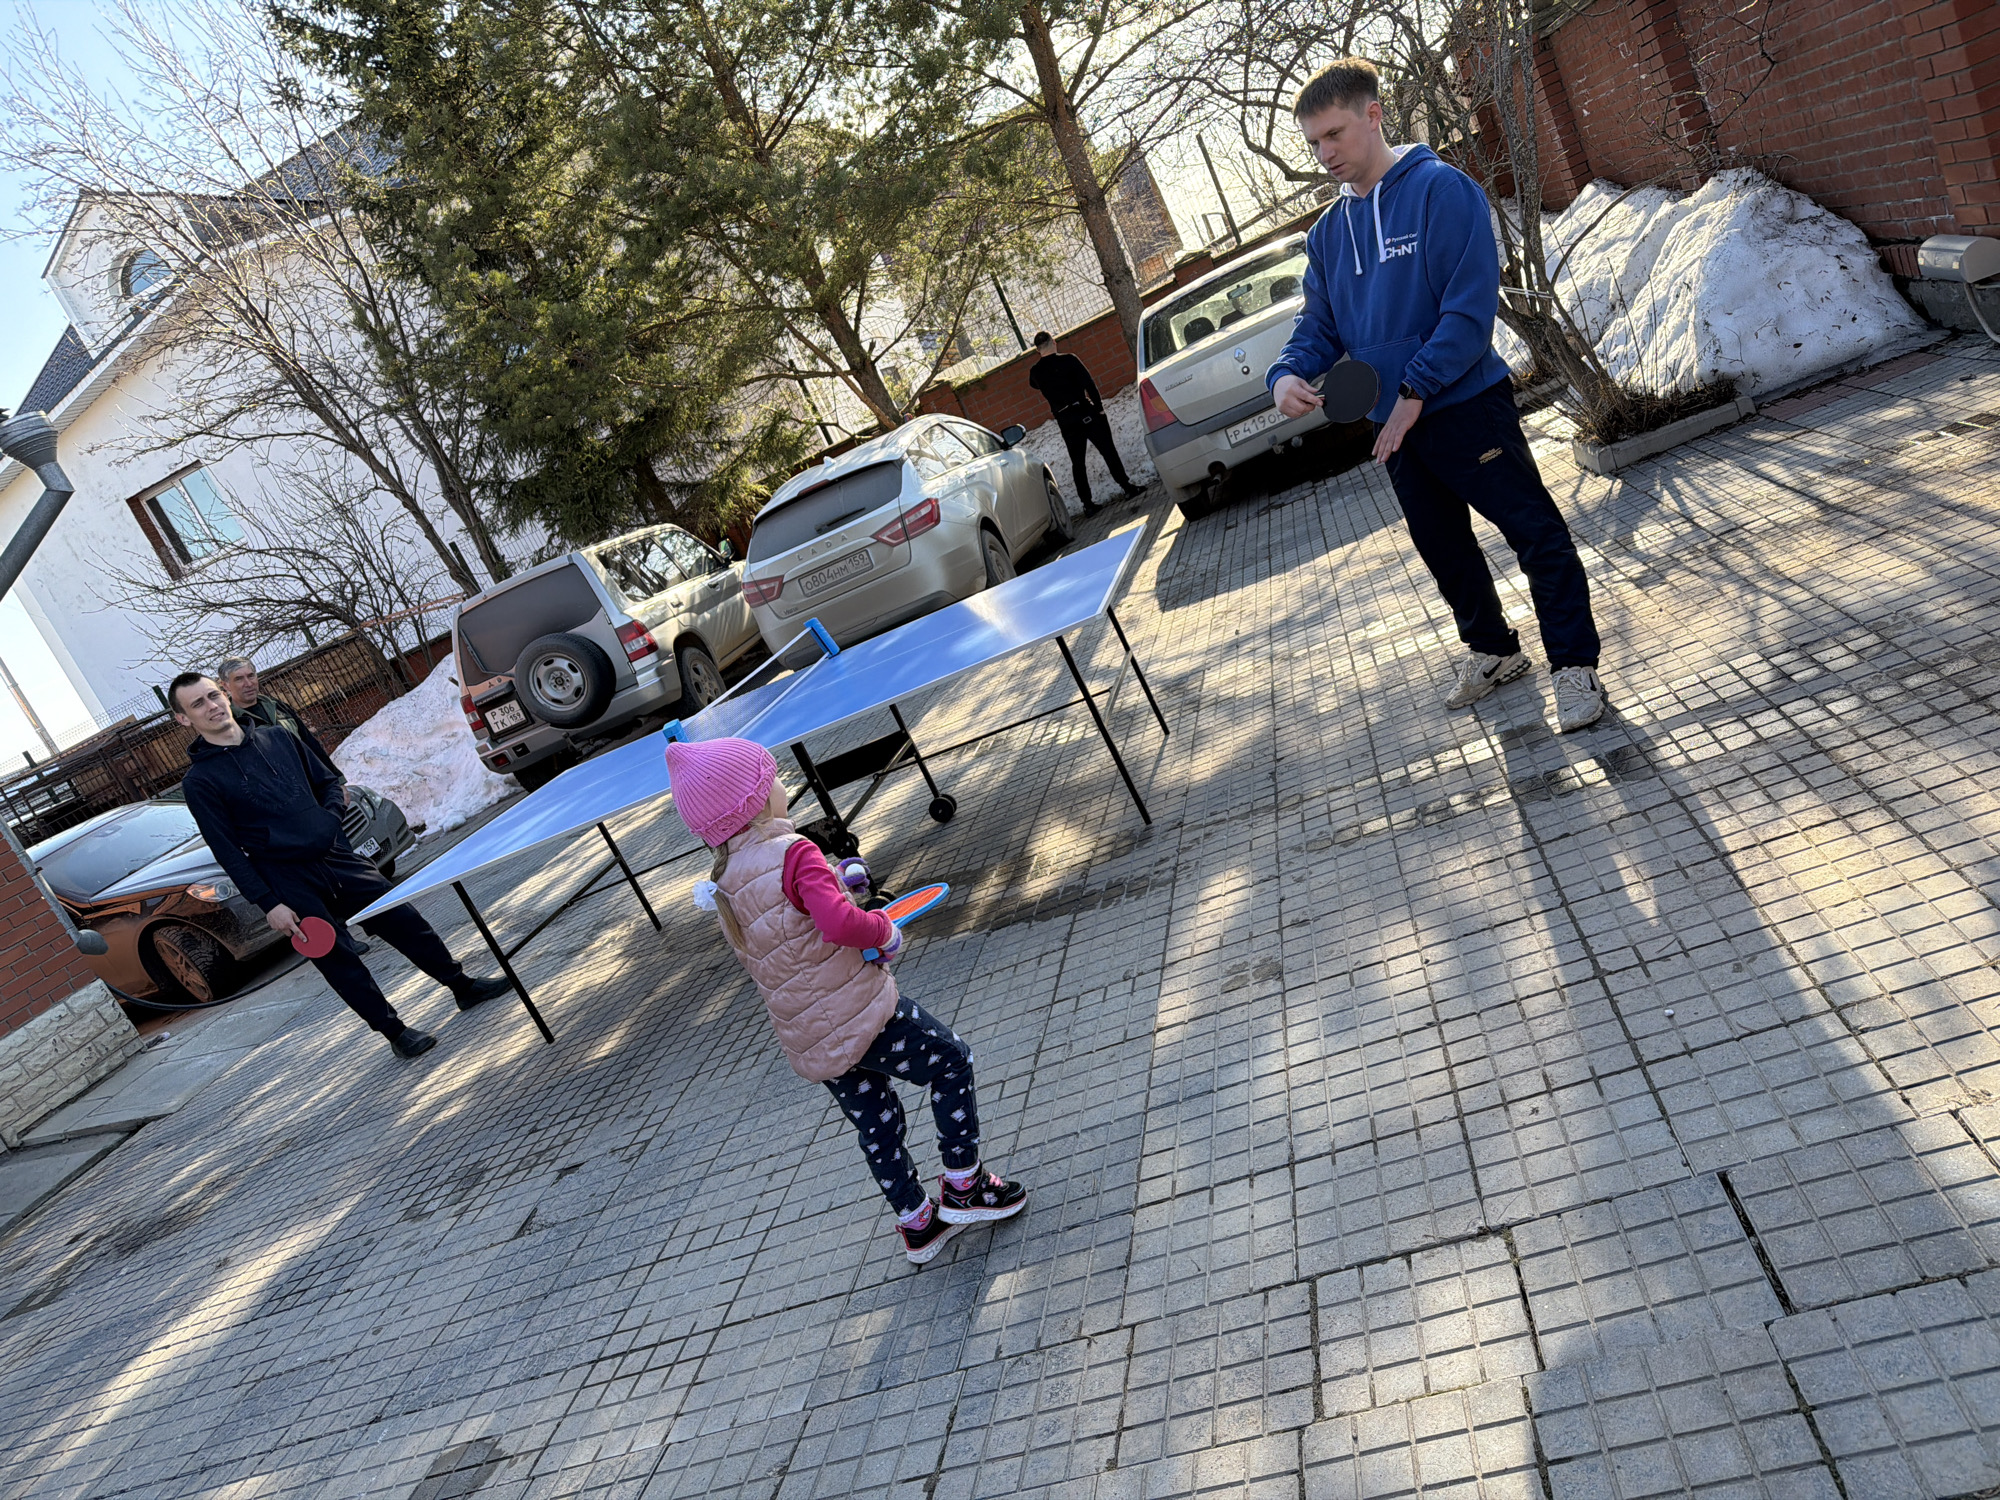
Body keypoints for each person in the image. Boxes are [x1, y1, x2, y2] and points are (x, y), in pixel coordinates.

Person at [1268, 59, 1608, 733]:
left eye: (1334, 133)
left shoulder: (1442, 190)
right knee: (1443, 548)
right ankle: (1494, 651)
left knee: (1534, 533)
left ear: (1373, 115)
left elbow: (1468, 312)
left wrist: (1415, 389)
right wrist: (1286, 373)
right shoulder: (1328, 234)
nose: (1325, 153)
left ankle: (1574, 665)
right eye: (1313, 142)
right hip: (1394, 426)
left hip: (1465, 406)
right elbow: (1319, 325)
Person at [666, 735, 1026, 1264]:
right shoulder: (794, 852)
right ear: (758, 799)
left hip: (812, 1038)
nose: (782, 783)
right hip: (865, 1014)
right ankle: (965, 1187)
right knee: (952, 1062)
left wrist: (844, 889)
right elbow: (836, 925)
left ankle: (917, 1223)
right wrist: (880, 929)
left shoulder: (724, 884)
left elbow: (791, 945)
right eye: (773, 776)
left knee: (877, 1126)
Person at [169, 672, 509, 1057]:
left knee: (404, 920)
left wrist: (329, 821)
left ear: (225, 695)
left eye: (213, 695)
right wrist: (269, 904)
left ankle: (462, 986)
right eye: (197, 704)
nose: (211, 706)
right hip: (286, 880)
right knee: (337, 960)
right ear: (184, 719)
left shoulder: (278, 738)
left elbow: (328, 782)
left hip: (335, 857)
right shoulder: (200, 781)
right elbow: (226, 849)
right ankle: (396, 1033)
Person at [1027, 331, 1147, 515]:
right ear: (1054, 342)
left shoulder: (1035, 372)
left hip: (1065, 419)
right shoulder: (1069, 360)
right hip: (1084, 411)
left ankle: (1087, 504)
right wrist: (1099, 407)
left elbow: (1033, 384)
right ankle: (1127, 487)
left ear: (1037, 350)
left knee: (1078, 463)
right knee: (1107, 450)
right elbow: (1089, 384)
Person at [217, 656, 348, 801]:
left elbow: (310, 744)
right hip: (280, 798)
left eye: (251, 676)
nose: (248, 683)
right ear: (225, 685)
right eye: (239, 679)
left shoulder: (277, 706)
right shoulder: (231, 723)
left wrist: (337, 781)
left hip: (316, 786)